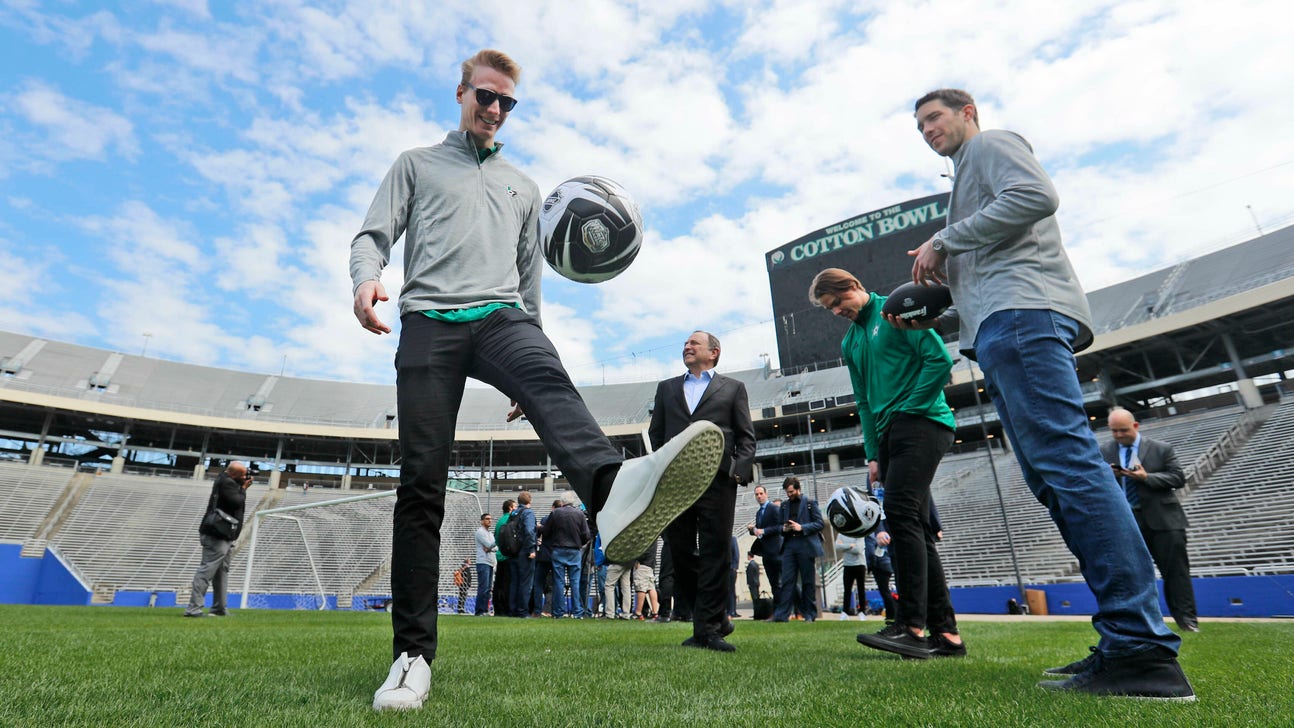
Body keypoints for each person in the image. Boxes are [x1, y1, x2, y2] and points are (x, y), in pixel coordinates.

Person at [351, 49, 725, 710]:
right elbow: (372, 234)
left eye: (505, 103)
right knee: (421, 484)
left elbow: (530, 284)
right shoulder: (416, 164)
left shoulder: (524, 187)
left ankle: (615, 491)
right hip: (429, 323)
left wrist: (533, 359)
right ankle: (411, 657)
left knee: (550, 375)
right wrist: (366, 279)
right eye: (484, 96)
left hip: (502, 317)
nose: (494, 110)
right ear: (461, 91)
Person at [905, 88, 1191, 699]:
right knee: (1052, 478)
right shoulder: (966, 177)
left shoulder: (992, 144)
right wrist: (940, 293)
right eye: (920, 125)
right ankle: (1125, 641)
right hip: (1002, 321)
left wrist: (945, 240)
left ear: (967, 112)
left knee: (1070, 468)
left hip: (1022, 314)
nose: (928, 129)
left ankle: (1142, 648)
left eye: (936, 117)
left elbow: (1037, 197)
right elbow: (995, 245)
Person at [811, 267, 964, 659]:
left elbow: (939, 362)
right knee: (914, 525)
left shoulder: (896, 312)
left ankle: (911, 625)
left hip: (922, 422)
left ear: (855, 286)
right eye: (829, 308)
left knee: (899, 516)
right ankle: (946, 635)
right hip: (890, 433)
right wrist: (873, 452)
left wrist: (910, 409)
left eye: (839, 301)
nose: (837, 311)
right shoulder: (850, 343)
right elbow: (862, 401)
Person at [650, 331, 757, 652]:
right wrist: (662, 467)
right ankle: (715, 618)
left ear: (714, 352)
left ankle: (707, 629)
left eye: (694, 343)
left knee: (715, 551)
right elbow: (657, 434)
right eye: (685, 343)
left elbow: (746, 436)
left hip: (718, 481)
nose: (687, 346)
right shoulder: (666, 388)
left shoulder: (733, 388)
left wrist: (737, 471)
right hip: (677, 482)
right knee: (679, 550)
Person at [1103, 408, 1198, 632]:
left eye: (1123, 430)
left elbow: (1178, 478)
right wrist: (1107, 475)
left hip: (1164, 521)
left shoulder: (1161, 449)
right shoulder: (1104, 452)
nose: (1118, 435)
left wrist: (1147, 477)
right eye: (1114, 431)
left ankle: (1187, 621)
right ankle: (1141, 622)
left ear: (1135, 426)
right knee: (1131, 576)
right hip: (1126, 522)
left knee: (1176, 573)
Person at [184, 461, 253, 617]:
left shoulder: (226, 480)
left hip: (224, 534)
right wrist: (243, 488)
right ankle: (194, 608)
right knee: (207, 570)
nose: (245, 477)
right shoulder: (228, 483)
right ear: (233, 474)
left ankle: (219, 608)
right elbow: (237, 502)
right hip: (217, 534)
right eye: (242, 475)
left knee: (222, 571)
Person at [769, 477, 824, 622]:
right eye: (787, 492)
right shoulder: (784, 506)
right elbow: (780, 526)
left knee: (807, 581)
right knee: (787, 581)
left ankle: (810, 614)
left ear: (798, 489)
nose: (789, 494)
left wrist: (802, 527)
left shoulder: (810, 503)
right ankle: (782, 615)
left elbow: (819, 523)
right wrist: (784, 528)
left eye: (791, 491)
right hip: (789, 545)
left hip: (805, 545)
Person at [539, 493, 591, 618]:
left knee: (559, 582)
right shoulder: (579, 514)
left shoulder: (556, 513)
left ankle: (558, 612)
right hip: (574, 551)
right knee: (575, 582)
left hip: (558, 549)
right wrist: (578, 544)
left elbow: (546, 532)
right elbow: (586, 535)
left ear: (562, 502)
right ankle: (577, 612)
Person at [746, 484, 783, 616]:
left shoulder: (773, 509)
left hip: (777, 551)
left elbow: (780, 527)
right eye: (757, 494)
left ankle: (797, 609)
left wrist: (764, 531)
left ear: (766, 494)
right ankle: (778, 611)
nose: (759, 496)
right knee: (774, 583)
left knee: (784, 582)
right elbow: (759, 532)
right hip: (766, 553)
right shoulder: (758, 513)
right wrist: (753, 530)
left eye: (761, 493)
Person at [509, 491, 538, 618]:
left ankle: (513, 610)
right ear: (529, 501)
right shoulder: (528, 513)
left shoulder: (513, 513)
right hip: (524, 551)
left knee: (514, 582)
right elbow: (529, 531)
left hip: (513, 551)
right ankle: (522, 611)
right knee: (526, 582)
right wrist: (531, 549)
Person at [833, 531, 867, 621]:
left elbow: (858, 549)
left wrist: (844, 546)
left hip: (860, 564)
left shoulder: (859, 533)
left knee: (861, 589)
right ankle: (845, 612)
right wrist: (850, 545)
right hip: (847, 565)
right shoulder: (841, 534)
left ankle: (862, 612)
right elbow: (837, 547)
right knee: (847, 589)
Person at [492, 500, 514, 617]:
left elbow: (496, 538)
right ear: (510, 508)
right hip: (507, 556)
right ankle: (505, 609)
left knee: (499, 584)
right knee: (507, 584)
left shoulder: (500, 520)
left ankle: (498, 609)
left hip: (499, 555)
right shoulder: (509, 520)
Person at [474, 514, 496, 616]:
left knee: (488, 588)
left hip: (490, 562)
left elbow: (495, 547)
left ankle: (485, 610)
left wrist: (491, 548)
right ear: (482, 521)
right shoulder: (480, 532)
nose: (489, 521)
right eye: (487, 519)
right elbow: (489, 545)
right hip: (483, 562)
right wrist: (492, 546)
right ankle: (480, 610)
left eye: (490, 519)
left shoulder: (490, 534)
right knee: (483, 587)